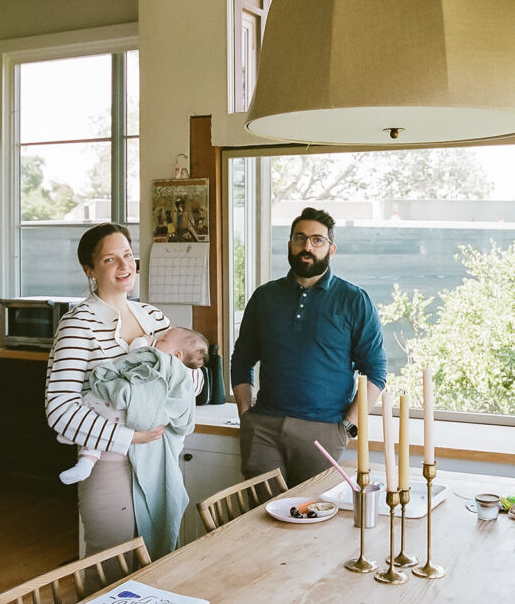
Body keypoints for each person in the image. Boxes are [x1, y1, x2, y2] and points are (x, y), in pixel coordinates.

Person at [45, 223, 205, 562]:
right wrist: (129, 436)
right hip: (107, 458)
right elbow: (59, 408)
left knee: (158, 559)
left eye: (128, 256)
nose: (124, 266)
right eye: (110, 259)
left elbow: (192, 376)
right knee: (111, 563)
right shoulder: (79, 323)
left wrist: (182, 378)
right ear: (89, 270)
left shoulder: (154, 317)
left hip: (159, 456)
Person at [230, 207, 387, 486]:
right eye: (300, 238)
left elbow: (375, 371)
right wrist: (245, 416)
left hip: (324, 431)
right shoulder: (264, 297)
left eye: (317, 240)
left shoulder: (354, 300)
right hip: (264, 429)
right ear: (290, 244)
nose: (307, 246)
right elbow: (241, 359)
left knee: (314, 519)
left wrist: (348, 427)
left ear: (331, 248)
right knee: (259, 520)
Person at [59, 326, 209, 485]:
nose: (157, 340)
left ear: (177, 355)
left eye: (163, 340)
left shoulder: (160, 360)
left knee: (91, 401)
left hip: (129, 410)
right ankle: (86, 462)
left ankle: (76, 439)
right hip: (138, 419)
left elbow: (136, 351)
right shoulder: (190, 377)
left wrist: (145, 340)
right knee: (102, 421)